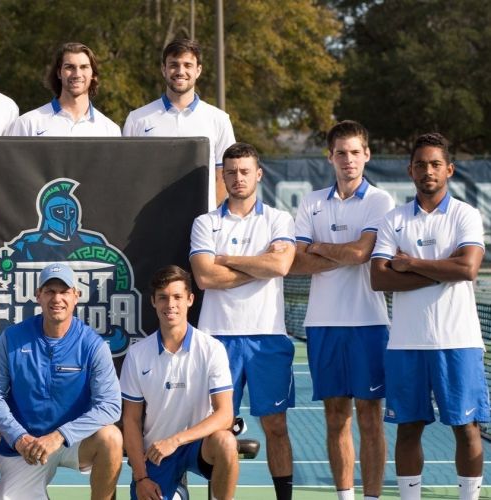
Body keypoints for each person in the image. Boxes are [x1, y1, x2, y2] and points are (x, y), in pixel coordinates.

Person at [370, 132, 488, 500]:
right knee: (408, 429)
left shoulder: (465, 214)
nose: (428, 170)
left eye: (435, 163)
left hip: (459, 342)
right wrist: (441, 271)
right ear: (410, 171)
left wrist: (410, 264)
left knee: (466, 428)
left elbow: (468, 269)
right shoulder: (394, 219)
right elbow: (378, 277)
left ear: (449, 169)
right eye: (420, 164)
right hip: (406, 343)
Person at [289, 120, 394, 500]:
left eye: (355, 152)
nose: (348, 160)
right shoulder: (311, 201)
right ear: (329, 157)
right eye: (340, 153)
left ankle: (372, 497)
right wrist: (339, 252)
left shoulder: (380, 201)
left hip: (368, 325)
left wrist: (318, 247)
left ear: (366, 155)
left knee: (370, 419)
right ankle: (345, 497)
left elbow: (361, 253)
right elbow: (295, 263)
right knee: (336, 417)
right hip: (322, 326)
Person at [188, 142, 296, 500]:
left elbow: (280, 266)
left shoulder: (279, 220)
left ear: (258, 175)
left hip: (268, 338)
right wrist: (258, 264)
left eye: (245, 171)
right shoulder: (205, 223)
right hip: (216, 339)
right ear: (223, 176)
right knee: (217, 431)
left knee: (276, 426)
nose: (238, 178)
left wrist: (229, 259)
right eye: (231, 172)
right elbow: (204, 278)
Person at [0, 262, 123, 499]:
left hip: (73, 442)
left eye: (64, 291)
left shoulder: (93, 344)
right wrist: (19, 438)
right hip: (26, 447)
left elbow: (110, 405)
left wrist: (59, 436)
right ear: (38, 296)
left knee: (111, 438)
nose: (57, 298)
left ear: (76, 296)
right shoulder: (12, 338)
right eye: (50, 291)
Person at [121, 265, 239, 500]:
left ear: (190, 300)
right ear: (154, 302)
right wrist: (141, 477)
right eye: (163, 298)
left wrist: (176, 440)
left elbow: (225, 415)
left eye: (177, 297)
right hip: (157, 452)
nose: (170, 304)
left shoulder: (212, 349)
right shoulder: (137, 354)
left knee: (226, 441)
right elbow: (131, 420)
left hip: (198, 446)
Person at [123, 39, 236, 208]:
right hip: (150, 224)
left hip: (201, 226)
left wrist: (212, 219)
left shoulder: (219, 119)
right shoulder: (137, 119)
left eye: (187, 65)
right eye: (174, 65)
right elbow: (128, 175)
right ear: (164, 69)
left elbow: (224, 174)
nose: (180, 71)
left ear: (198, 70)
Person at [7, 43, 120, 137]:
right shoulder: (28, 123)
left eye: (84, 67)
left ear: (93, 74)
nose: (77, 74)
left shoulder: (110, 130)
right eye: (69, 67)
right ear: (58, 73)